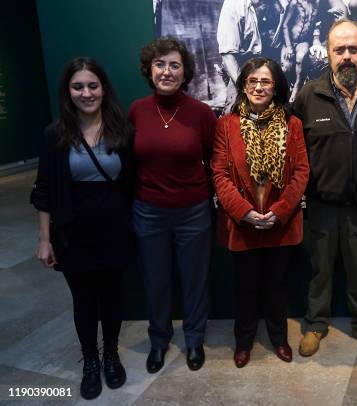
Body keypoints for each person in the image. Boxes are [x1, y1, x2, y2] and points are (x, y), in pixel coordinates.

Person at [292, 19, 357, 358]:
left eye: (353, 49)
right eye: (340, 50)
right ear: (328, 53)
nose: (347, 56)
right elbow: (295, 150)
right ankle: (316, 325)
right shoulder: (309, 95)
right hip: (321, 205)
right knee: (320, 271)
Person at [31, 57, 134, 399]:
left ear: (103, 88)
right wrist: (45, 239)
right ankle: (90, 360)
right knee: (84, 301)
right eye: (78, 86)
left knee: (113, 299)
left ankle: (111, 355)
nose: (86, 93)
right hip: (73, 232)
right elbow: (43, 189)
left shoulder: (123, 130)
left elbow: (134, 183)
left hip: (115, 229)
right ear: (68, 91)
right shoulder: (54, 135)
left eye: (93, 85)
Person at [211, 57, 309, 368]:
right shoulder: (227, 126)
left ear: (276, 86)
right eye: (252, 81)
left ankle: (279, 338)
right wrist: (245, 212)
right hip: (243, 226)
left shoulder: (291, 124)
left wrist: (279, 211)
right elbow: (219, 174)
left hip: (281, 225)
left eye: (265, 81)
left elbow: (302, 172)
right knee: (245, 288)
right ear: (243, 85)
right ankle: (244, 341)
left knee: (278, 287)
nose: (258, 86)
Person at [129, 37, 217, 373]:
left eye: (174, 65)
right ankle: (159, 341)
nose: (166, 71)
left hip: (193, 211)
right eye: (160, 64)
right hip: (149, 211)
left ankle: (194, 340)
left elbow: (213, 158)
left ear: (185, 72)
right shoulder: (137, 110)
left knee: (195, 280)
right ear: (149, 70)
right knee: (156, 280)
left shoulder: (201, 113)